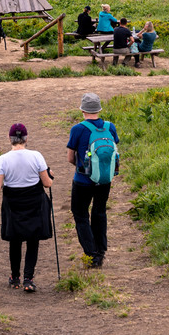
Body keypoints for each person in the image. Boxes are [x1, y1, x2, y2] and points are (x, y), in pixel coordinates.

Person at [0, 123, 54, 292]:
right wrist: (50, 176)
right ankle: (28, 278)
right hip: (34, 203)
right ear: (26, 138)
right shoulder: (36, 156)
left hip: (13, 205)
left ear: (9, 139)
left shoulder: (2, 159)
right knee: (33, 240)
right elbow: (47, 183)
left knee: (15, 240)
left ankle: (15, 278)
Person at [67, 93, 119, 268]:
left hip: (82, 180)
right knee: (100, 212)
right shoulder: (110, 127)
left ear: (82, 110)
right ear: (99, 109)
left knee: (80, 213)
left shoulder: (78, 129)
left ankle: (91, 254)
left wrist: (82, 167)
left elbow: (70, 158)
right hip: (105, 179)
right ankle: (101, 250)